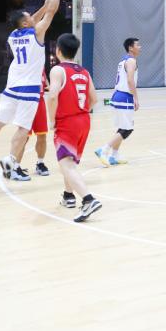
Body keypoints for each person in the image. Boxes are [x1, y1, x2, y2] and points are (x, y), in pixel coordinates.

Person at [0, 0, 69, 180]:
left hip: (11, 88)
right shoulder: (37, 33)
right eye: (29, 16)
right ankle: (10, 160)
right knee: (23, 128)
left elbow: (33, 19)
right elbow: (51, 13)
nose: (32, 17)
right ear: (25, 23)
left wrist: (43, 6)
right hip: (29, 90)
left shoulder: (13, 34)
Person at [45, 33, 101, 222]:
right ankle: (68, 196)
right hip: (84, 121)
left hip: (67, 122)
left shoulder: (57, 70)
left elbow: (52, 96)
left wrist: (51, 120)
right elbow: (94, 99)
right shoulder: (84, 72)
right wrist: (80, 111)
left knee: (66, 164)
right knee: (70, 162)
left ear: (58, 50)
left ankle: (88, 199)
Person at [95, 38, 141, 166]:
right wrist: (136, 98)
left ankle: (114, 155)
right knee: (127, 129)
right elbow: (130, 80)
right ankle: (104, 149)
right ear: (130, 48)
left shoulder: (123, 61)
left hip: (118, 96)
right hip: (125, 97)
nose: (140, 47)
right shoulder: (131, 61)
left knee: (122, 127)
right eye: (138, 45)